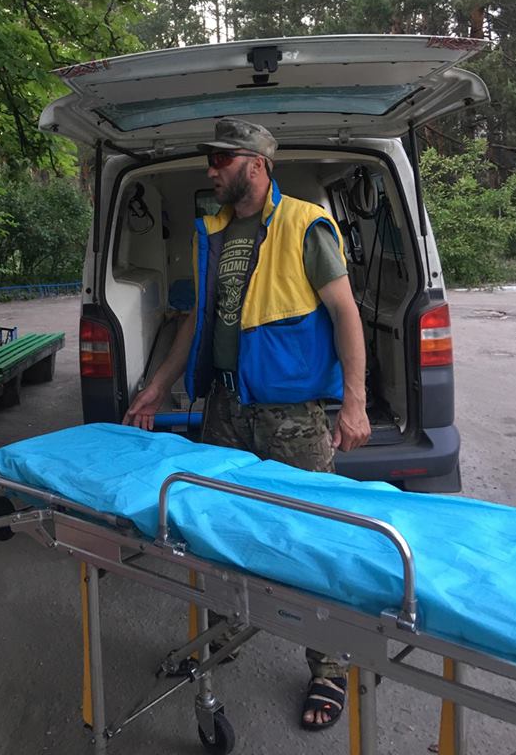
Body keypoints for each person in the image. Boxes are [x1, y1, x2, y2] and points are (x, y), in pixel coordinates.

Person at [123, 117, 371, 731]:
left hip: (293, 417)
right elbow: (195, 323)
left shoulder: (305, 224)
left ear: (256, 164)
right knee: (217, 532)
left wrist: (355, 402)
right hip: (225, 409)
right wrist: (156, 386)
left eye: (220, 159)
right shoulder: (212, 231)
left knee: (312, 537)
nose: (210, 170)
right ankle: (221, 638)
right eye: (210, 160)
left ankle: (329, 667)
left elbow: (346, 314)